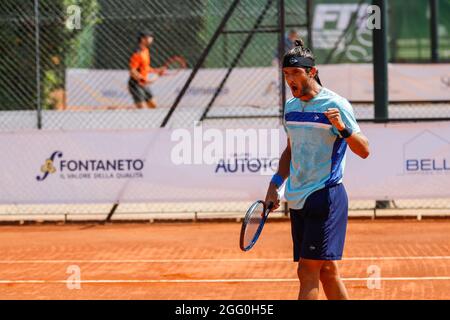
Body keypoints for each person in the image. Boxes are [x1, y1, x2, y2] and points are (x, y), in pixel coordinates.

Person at [265, 39, 370, 300]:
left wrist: (342, 127)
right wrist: (274, 184)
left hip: (325, 196)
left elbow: (364, 150)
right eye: (286, 74)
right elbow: (290, 151)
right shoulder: (290, 108)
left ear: (311, 72)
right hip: (297, 197)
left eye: (295, 73)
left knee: (307, 270)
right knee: (327, 270)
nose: (290, 80)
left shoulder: (335, 105)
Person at [128, 30, 165, 109]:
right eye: (149, 37)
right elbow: (132, 71)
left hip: (144, 84)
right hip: (135, 85)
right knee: (142, 110)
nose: (152, 39)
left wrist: (157, 70)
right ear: (143, 39)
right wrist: (142, 79)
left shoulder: (146, 51)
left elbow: (146, 67)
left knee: (153, 106)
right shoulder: (137, 53)